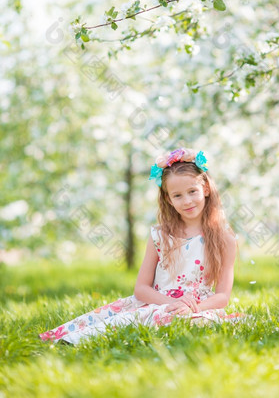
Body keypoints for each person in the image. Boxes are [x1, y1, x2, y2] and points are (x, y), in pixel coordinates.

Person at [39, 147, 245, 345]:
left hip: (198, 306)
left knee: (193, 322)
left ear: (206, 189)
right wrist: (170, 304)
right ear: (168, 198)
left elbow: (222, 296)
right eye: (178, 195)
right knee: (133, 320)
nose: (187, 201)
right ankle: (72, 340)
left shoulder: (223, 239)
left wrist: (193, 307)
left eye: (192, 191)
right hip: (159, 301)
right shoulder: (161, 235)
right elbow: (141, 288)